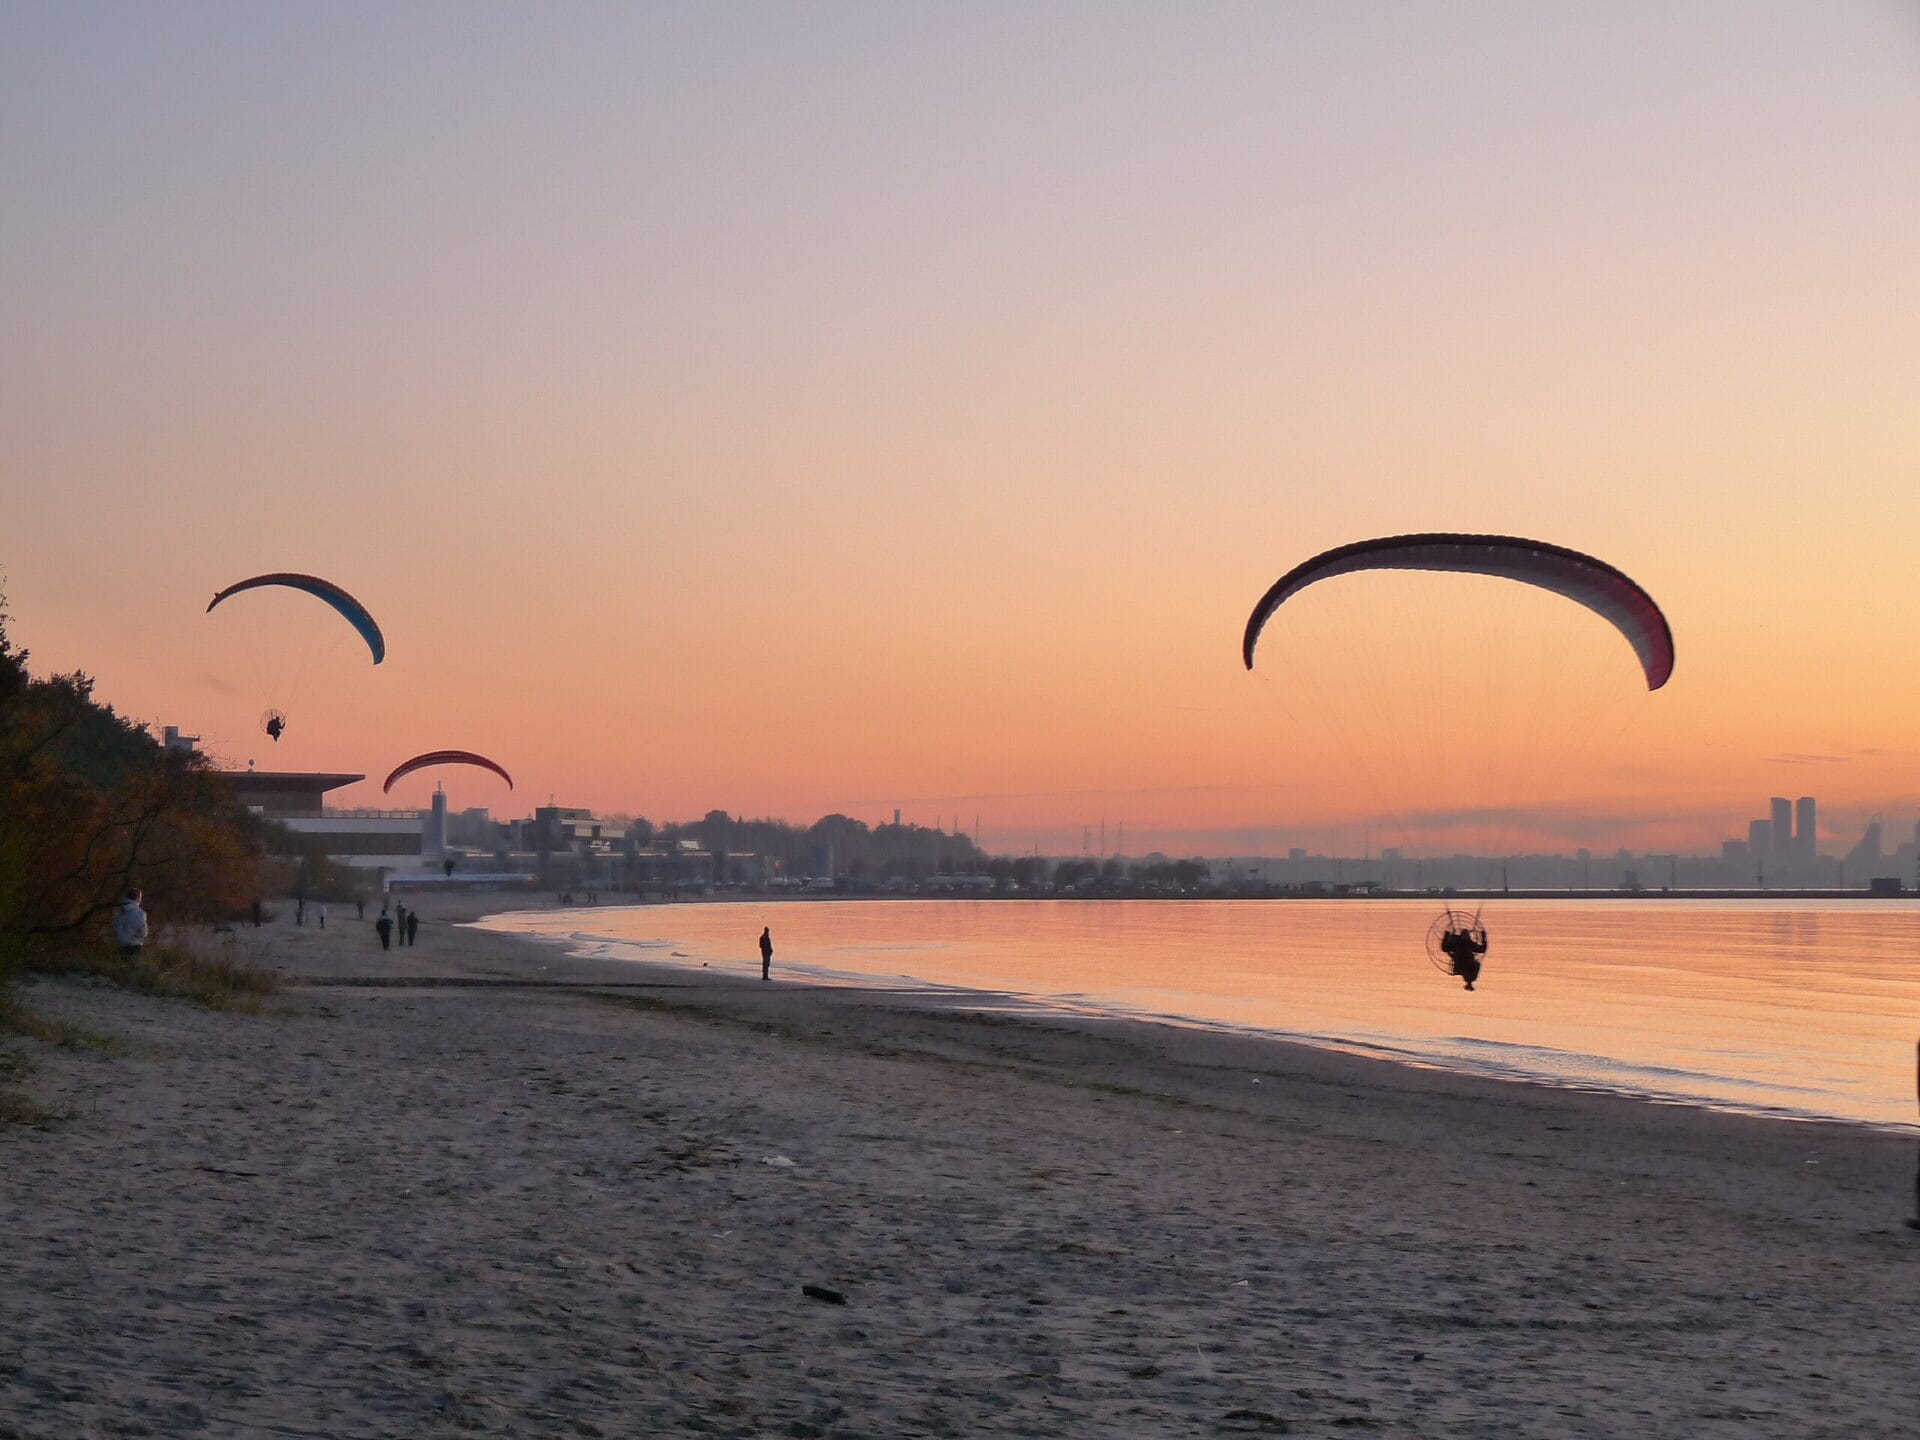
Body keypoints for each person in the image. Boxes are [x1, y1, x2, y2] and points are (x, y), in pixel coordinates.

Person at [1439, 922, 1487, 990]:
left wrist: (1447, 934)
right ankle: (1447, 933)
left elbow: (1477, 964)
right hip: (1462, 958)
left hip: (1460, 957)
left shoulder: (1458, 944)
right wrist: (1483, 936)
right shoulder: (1469, 945)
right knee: (1445, 948)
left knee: (1445, 948)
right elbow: (1482, 951)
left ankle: (1447, 933)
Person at [112, 888, 148, 959]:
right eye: (140, 897)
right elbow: (143, 933)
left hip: (121, 945)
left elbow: (115, 928)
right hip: (134, 946)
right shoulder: (139, 913)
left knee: (121, 967)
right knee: (132, 968)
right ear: (137, 898)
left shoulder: (119, 911)